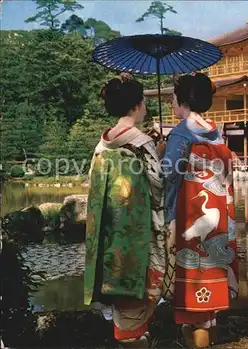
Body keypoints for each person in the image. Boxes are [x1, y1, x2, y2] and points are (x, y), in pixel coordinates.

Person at [84, 73, 170, 347]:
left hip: (111, 231)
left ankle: (128, 333)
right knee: (141, 290)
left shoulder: (102, 144)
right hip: (139, 230)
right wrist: (161, 154)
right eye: (143, 101)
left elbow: (94, 188)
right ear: (137, 105)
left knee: (119, 286)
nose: (145, 106)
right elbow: (158, 188)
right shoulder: (141, 142)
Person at [162, 73, 239, 348]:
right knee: (209, 311)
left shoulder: (181, 133)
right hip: (217, 224)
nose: (171, 103)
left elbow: (168, 176)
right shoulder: (217, 133)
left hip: (188, 225)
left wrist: (162, 150)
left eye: (172, 98)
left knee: (194, 312)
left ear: (181, 100)